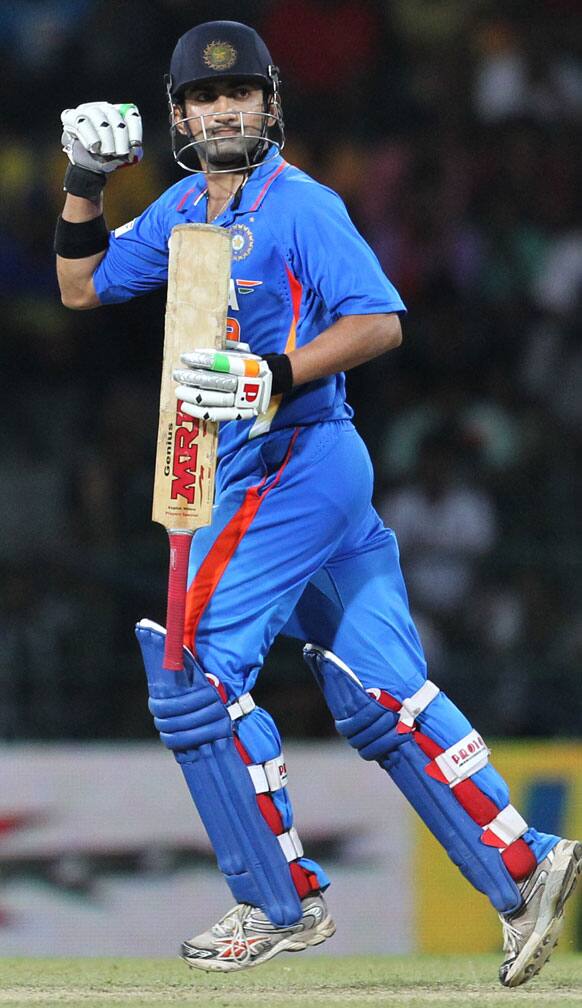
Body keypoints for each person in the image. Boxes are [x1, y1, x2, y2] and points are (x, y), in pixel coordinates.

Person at [54, 19, 580, 986]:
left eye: (240, 94)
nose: (223, 110)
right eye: (205, 98)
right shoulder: (179, 209)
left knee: (191, 671)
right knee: (378, 691)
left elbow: (379, 322)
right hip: (282, 472)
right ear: (179, 115)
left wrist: (271, 375)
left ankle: (275, 901)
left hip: (293, 461)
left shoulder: (302, 206)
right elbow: (81, 286)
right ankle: (525, 864)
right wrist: (84, 179)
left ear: (269, 103)